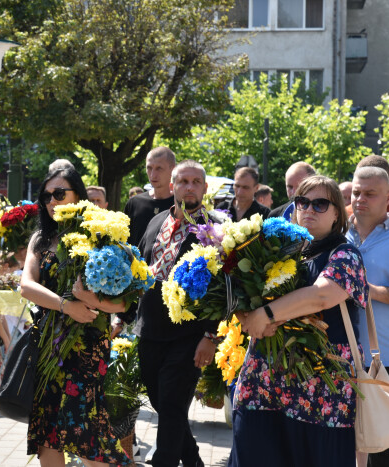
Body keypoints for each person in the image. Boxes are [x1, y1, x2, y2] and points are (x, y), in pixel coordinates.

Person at [230, 175, 368, 467]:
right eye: (303, 202)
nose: (309, 209)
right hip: (263, 386)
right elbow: (238, 291)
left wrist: (266, 314)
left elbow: (322, 296)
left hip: (320, 393)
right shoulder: (271, 250)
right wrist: (247, 317)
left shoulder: (345, 255)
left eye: (320, 204)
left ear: (337, 214)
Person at [20, 167, 130, 466]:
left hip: (87, 349)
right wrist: (66, 305)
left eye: (59, 193)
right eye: (46, 196)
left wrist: (90, 300)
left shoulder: (101, 238)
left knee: (88, 437)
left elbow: (124, 303)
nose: (51, 201)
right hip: (49, 347)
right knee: (48, 435)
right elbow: (26, 286)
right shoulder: (41, 239)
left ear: (78, 196)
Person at [135, 160, 226, 467]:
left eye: (195, 182)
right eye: (183, 181)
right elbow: (142, 270)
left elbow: (227, 290)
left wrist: (210, 336)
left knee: (173, 405)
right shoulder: (155, 221)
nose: (189, 187)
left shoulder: (214, 231)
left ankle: (165, 461)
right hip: (149, 330)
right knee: (163, 404)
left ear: (204, 187)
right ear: (172, 186)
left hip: (189, 335)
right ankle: (194, 461)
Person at [346, 166, 389, 467]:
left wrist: (365, 288)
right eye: (356, 193)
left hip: (383, 362)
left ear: (387, 199)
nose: (360, 199)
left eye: (369, 194)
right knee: (348, 448)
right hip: (342, 358)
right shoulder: (338, 234)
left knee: (381, 449)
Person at [123, 146, 176, 246]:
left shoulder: (180, 205)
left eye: (159, 168)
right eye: (149, 168)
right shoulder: (134, 203)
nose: (152, 175)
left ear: (173, 169)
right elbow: (123, 242)